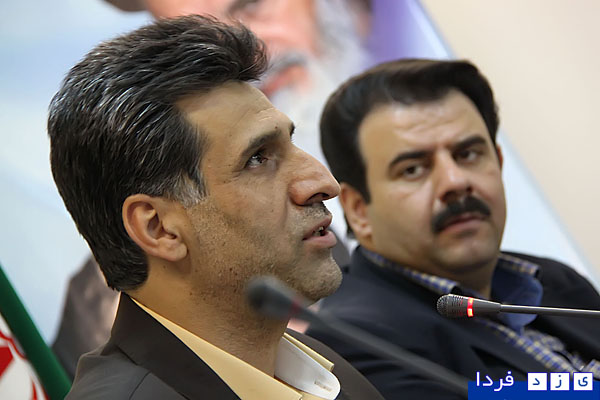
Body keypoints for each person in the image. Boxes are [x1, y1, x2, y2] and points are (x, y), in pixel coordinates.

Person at [48, 15, 383, 399]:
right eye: (258, 158)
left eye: (291, 144)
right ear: (159, 228)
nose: (323, 183)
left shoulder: (325, 370)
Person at [306, 58, 600, 399]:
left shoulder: (554, 281)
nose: (455, 181)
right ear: (358, 209)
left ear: (498, 162)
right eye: (413, 169)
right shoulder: (353, 343)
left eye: (468, 154)